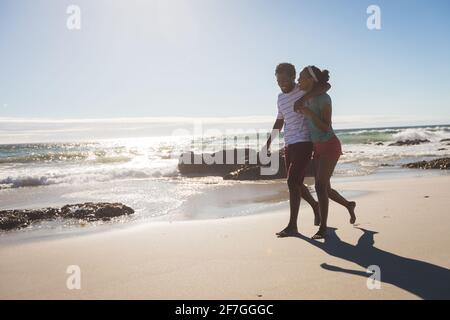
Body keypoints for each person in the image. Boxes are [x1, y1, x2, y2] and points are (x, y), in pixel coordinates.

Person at [260, 63, 329, 237]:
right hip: (289, 143)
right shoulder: (279, 98)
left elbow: (326, 86)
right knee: (296, 182)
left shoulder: (302, 89)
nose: (281, 83)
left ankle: (293, 226)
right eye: (278, 80)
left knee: (292, 182)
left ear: (293, 77)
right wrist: (268, 143)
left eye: (284, 79)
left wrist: (303, 99)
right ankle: (314, 206)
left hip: (304, 142)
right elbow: (279, 121)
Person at [294, 65, 356, 239]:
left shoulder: (324, 99)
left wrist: (309, 113)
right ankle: (349, 205)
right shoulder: (305, 97)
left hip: (330, 145)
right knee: (326, 189)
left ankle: (323, 228)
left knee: (320, 186)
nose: (298, 81)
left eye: (301, 77)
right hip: (317, 148)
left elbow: (325, 126)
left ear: (311, 80)